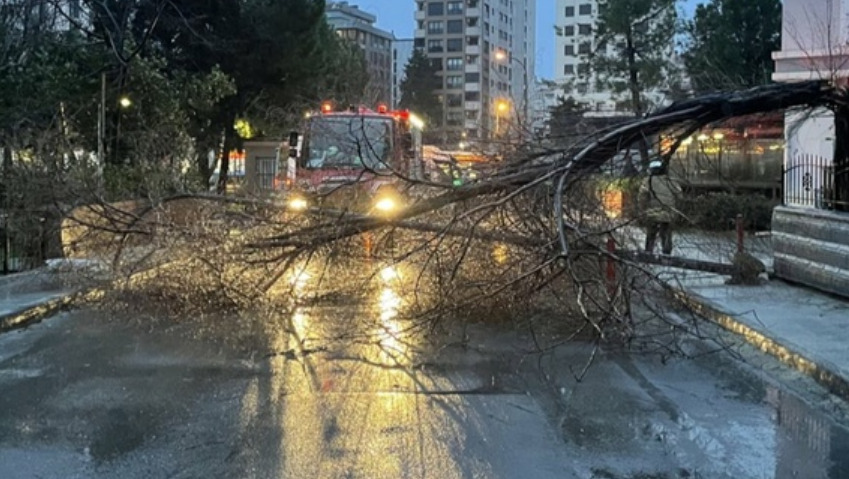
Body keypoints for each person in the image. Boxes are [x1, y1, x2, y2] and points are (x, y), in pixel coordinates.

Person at [639, 159, 682, 255]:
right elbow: (679, 195)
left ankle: (648, 253)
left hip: (652, 213)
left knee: (651, 234)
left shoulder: (647, 181)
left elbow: (642, 198)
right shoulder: (671, 181)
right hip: (668, 213)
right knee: (666, 234)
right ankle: (667, 253)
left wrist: (642, 211)